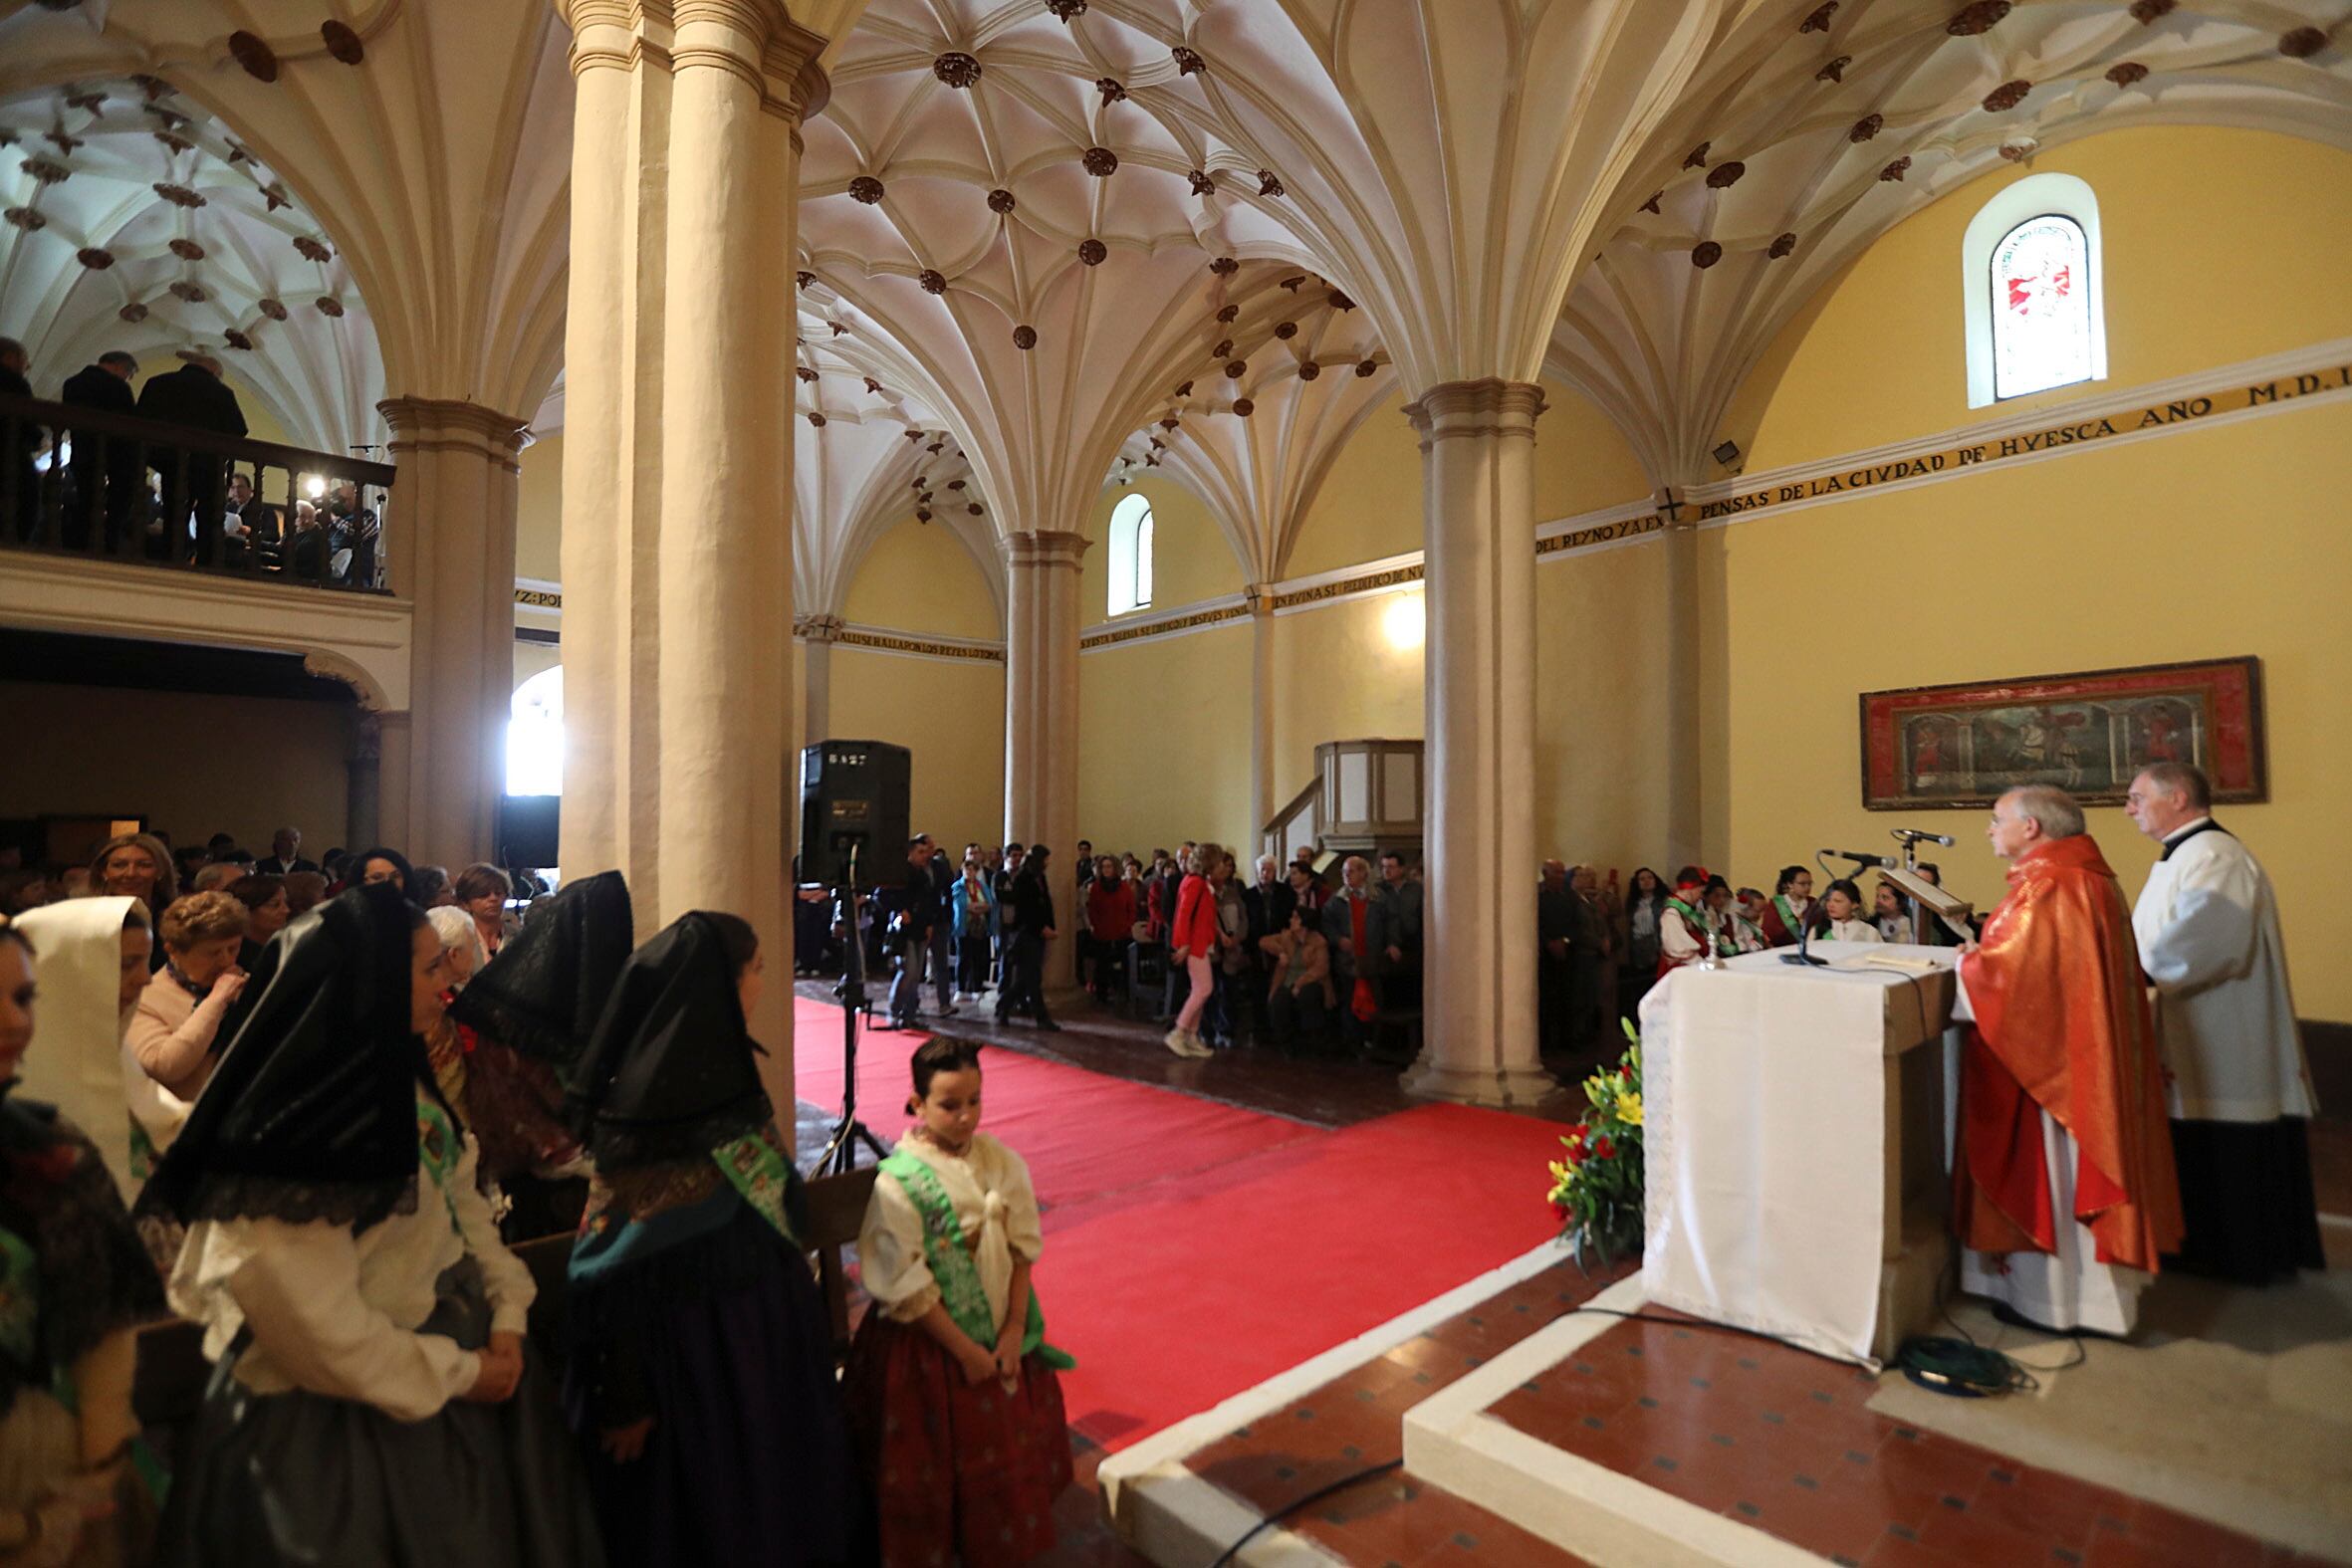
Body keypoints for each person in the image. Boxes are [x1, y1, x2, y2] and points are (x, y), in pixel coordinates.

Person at [142, 884, 606, 1567]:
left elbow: (462, 1209)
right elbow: (310, 1323)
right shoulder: (295, 1127)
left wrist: (507, 1312)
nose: (446, 984)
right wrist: (461, 1371)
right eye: (428, 968)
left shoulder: (400, 1079)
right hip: (332, 1427)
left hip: (451, 1380)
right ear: (369, 980)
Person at [562, 911, 864, 1565]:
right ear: (721, 985)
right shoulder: (651, 1103)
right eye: (756, 969)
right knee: (711, 1508)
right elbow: (609, 1263)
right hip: (690, 1354)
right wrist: (626, 1392)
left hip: (760, 1333)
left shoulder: (722, 1070)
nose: (761, 982)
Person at [1953, 785, 2184, 1337]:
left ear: (2031, 827)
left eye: (1997, 818)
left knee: (2053, 1170)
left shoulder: (2052, 883)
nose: (1990, 829)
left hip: (2053, 1071)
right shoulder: (2083, 875)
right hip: (2077, 1054)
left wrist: (1968, 965)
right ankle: (2084, 1301)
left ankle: (2052, 1303)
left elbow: (2018, 980)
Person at [844, 1038, 1074, 1566]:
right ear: (917, 1104)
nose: (966, 1116)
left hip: (999, 1327)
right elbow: (905, 1283)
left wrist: (1014, 1328)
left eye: (974, 1101)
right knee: (931, 1458)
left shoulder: (1002, 1162)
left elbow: (1021, 1251)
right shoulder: (899, 1183)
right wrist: (968, 1352)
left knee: (1003, 1449)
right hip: (930, 1346)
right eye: (949, 1105)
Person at [0, 923, 169, 1566]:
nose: (13, 1022)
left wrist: (94, 1477)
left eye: (23, 998)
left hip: (41, 1469)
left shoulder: (49, 1150)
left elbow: (105, 1323)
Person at [2124, 762, 2321, 1284]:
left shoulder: (2215, 855)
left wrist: (2127, 969)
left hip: (2223, 1030)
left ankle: (2239, 1256)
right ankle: (2202, 1247)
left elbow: (2206, 939)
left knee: (2224, 1143)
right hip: (2193, 1024)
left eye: (2138, 797)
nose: (2129, 809)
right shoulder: (2187, 854)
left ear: (2178, 797)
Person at [447, 871, 631, 1242]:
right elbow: (513, 1105)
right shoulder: (512, 1007)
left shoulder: (576, 993)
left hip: (580, 1166)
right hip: (531, 1178)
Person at [11, 896, 155, 1198]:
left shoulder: (115, 1051)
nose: (145, 979)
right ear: (65, 970)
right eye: (127, 964)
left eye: (145, 962)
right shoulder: (18, 1082)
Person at [124, 888, 251, 1175]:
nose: (227, 961)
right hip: (182, 1142)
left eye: (233, 948)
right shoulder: (144, 997)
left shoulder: (243, 986)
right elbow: (166, 1066)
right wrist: (216, 1000)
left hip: (241, 1133)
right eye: (213, 953)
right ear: (173, 950)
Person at [133, 353, 246, 566]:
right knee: (208, 516)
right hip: (207, 463)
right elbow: (238, 430)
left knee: (174, 511)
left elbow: (140, 422)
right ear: (214, 372)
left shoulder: (158, 383)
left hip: (168, 461)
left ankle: (169, 558)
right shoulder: (221, 392)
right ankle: (205, 563)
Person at [59, 348, 140, 551]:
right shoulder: (117, 386)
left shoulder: (72, 383)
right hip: (115, 454)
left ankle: (79, 542)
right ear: (119, 366)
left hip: (82, 450)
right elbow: (129, 423)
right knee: (120, 499)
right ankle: (110, 541)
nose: (127, 379)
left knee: (86, 499)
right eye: (128, 374)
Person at [1165, 843, 1221, 1058]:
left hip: (1199, 943)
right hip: (1194, 945)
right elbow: (1183, 915)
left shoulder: (1199, 882)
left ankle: (1191, 1036)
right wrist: (1184, 944)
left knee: (1201, 988)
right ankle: (1179, 1032)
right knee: (1203, 988)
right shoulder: (1195, 883)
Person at [1321, 855, 1381, 1056]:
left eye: (1352, 871)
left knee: (1374, 998)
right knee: (1349, 1000)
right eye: (1344, 872)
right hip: (1347, 960)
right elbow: (1327, 925)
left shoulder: (1377, 897)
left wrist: (1391, 943)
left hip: (1373, 957)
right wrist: (1338, 939)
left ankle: (1372, 1040)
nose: (1347, 875)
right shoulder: (1336, 901)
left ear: (1364, 873)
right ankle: (1353, 1042)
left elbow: (1389, 921)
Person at [995, 846, 1059, 1031]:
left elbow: (1045, 904)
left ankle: (1004, 1005)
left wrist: (1050, 927)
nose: (1048, 862)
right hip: (1027, 934)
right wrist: (1041, 928)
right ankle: (1041, 1018)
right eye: (1046, 859)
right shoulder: (1024, 879)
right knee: (1031, 977)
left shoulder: (1040, 877)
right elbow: (1026, 909)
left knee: (1027, 978)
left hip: (1037, 933)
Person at [1259, 906, 1333, 1053]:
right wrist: (1280, 952)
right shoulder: (1287, 937)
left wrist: (1299, 984)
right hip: (1288, 981)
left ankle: (1312, 1041)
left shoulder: (1318, 941)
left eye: (1295, 918)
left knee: (1308, 996)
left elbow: (1321, 968)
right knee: (1279, 1000)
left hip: (1311, 981)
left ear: (1304, 922)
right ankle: (1286, 1042)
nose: (1291, 920)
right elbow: (1263, 941)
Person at [886, 837, 935, 1030]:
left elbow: (929, 902)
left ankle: (909, 1015)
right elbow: (884, 896)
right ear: (910, 853)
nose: (925, 856)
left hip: (920, 928)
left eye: (926, 852)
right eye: (920, 852)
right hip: (904, 930)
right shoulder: (899, 875)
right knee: (908, 972)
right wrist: (900, 910)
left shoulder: (924, 876)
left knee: (916, 976)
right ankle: (894, 1011)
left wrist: (930, 924)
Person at [91, 830, 176, 935]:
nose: (130, 874)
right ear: (103, 871)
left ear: (161, 871)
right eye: (119, 865)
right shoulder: (86, 918)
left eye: (144, 865)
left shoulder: (179, 920)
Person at [1372, 849, 1423, 1011]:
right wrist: (1390, 943)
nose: (1386, 871)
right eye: (1384, 867)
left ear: (1401, 869)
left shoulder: (1416, 889)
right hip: (1387, 946)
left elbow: (1422, 915)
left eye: (1391, 867)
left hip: (1413, 944)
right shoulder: (1378, 891)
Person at [1084, 855, 1133, 1007]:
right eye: (1103, 867)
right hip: (1102, 932)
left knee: (1125, 964)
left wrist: (1128, 925)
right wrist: (1097, 926)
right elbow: (1093, 910)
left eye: (1109, 866)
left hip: (1122, 931)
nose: (1106, 869)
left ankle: (1125, 993)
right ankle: (1102, 995)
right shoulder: (1097, 887)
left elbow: (1131, 908)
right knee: (1102, 965)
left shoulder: (1124, 886)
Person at [1619, 866, 1667, 1010]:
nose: (1646, 881)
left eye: (1650, 878)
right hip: (1638, 945)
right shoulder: (1633, 903)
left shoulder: (1663, 901)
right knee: (1640, 984)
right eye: (1642, 879)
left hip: (1656, 944)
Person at [952, 854, 998, 1003]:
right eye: (966, 869)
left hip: (980, 927)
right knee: (963, 958)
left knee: (978, 958)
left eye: (972, 870)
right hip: (964, 926)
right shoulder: (958, 886)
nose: (969, 872)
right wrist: (975, 907)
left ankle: (976, 988)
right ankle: (960, 989)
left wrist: (978, 907)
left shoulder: (982, 886)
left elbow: (989, 903)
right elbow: (961, 905)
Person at [227, 871, 291, 970]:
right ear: (244, 910)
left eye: (285, 903)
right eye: (274, 905)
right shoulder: (233, 957)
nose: (286, 910)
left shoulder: (285, 946)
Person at [1655, 867, 1715, 974]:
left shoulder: (1687, 911)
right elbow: (1680, 949)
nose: (1701, 897)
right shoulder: (1672, 913)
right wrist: (1705, 967)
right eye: (1701, 891)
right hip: (1683, 971)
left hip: (1693, 968)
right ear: (1692, 888)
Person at [454, 862, 515, 960]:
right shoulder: (457, 939)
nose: (493, 898)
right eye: (483, 895)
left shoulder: (518, 937)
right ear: (465, 903)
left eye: (498, 893)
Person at [1757, 865, 1814, 948]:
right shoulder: (1775, 905)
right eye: (1802, 884)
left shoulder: (1814, 904)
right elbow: (1770, 932)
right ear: (1790, 884)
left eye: (1810, 884)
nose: (1807, 887)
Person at [1808, 880, 1880, 944]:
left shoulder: (1869, 932)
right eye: (1828, 900)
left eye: (1837, 901)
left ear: (1854, 904)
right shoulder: (1818, 930)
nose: (1830, 905)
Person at [350, 845, 416, 896]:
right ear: (361, 881)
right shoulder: (349, 909)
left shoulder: (414, 909)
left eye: (395, 876)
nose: (387, 882)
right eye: (377, 877)